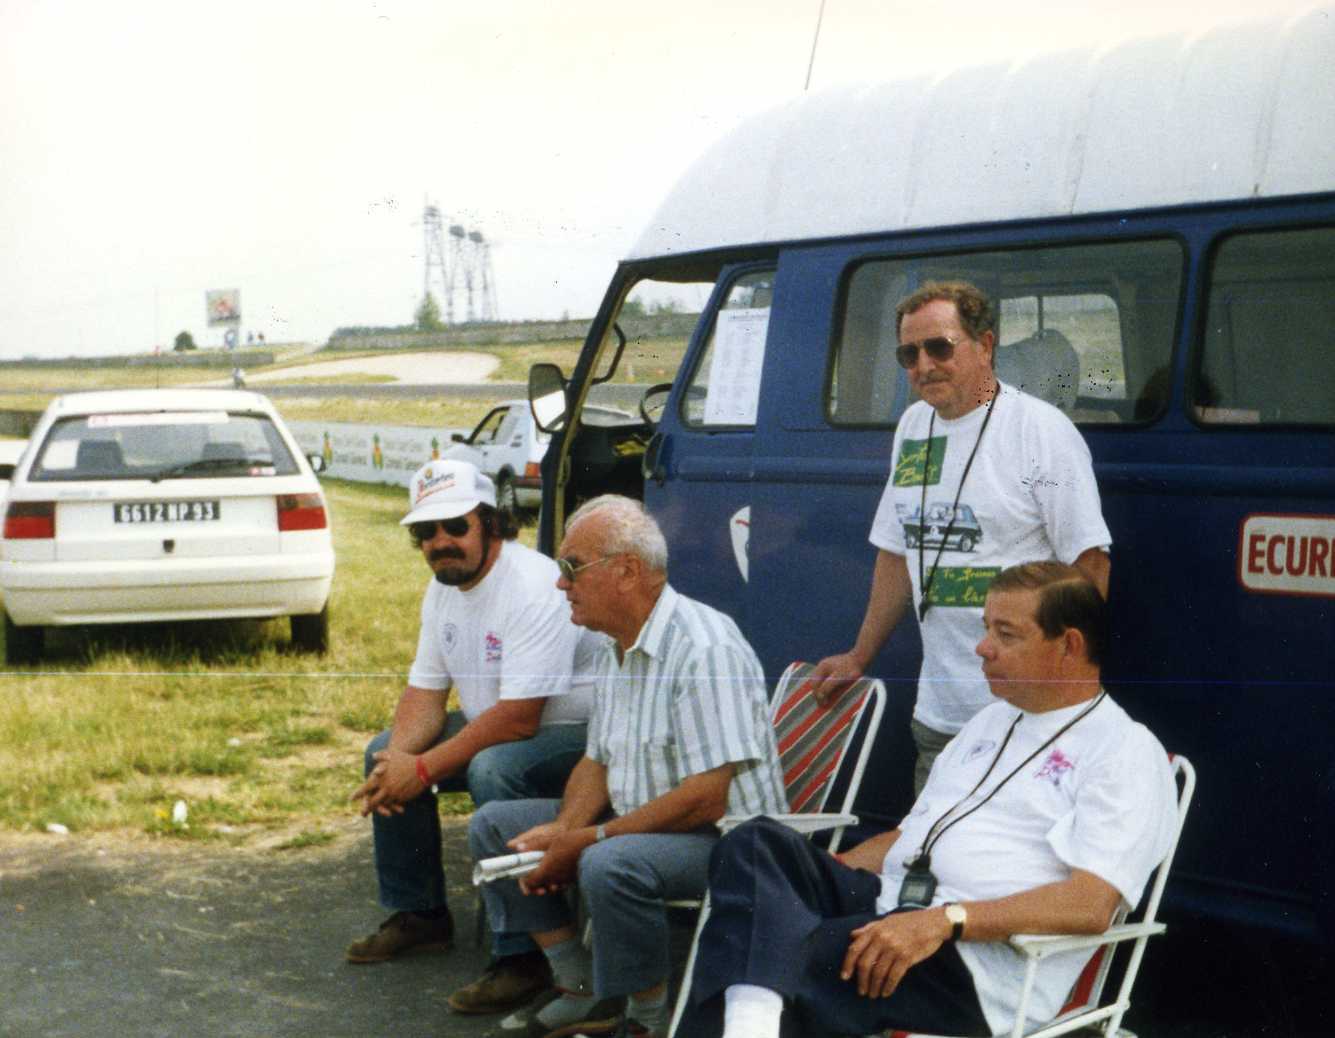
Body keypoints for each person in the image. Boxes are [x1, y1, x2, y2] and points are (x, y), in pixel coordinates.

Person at [683, 561, 1177, 1038]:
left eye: (1006, 634)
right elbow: (910, 837)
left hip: (976, 962)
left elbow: (1089, 904)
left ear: (1069, 644)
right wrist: (799, 887)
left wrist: (945, 921)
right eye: (986, 629)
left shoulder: (1124, 751)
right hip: (892, 905)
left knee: (770, 955)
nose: (982, 648)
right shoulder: (990, 722)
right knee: (757, 844)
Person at [457, 495, 787, 1038]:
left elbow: (708, 798)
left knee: (609, 861)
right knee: (495, 826)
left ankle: (644, 1020)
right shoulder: (617, 643)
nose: (560, 584)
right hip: (653, 823)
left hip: (733, 841)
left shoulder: (705, 649)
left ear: (627, 571)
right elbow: (597, 759)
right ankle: (579, 986)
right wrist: (565, 829)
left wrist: (588, 838)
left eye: (571, 568)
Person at [813, 280, 1113, 792]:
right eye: (909, 353)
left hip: (1024, 718)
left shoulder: (1040, 431)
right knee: (931, 862)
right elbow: (896, 553)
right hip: (940, 718)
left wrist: (1068, 684)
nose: (924, 365)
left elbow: (1090, 563)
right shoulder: (913, 427)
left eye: (940, 347)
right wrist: (859, 656)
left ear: (986, 345)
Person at [348, 459, 599, 1017]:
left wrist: (421, 770)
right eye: (425, 532)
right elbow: (424, 694)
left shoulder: (533, 584)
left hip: (577, 736)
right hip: (504, 725)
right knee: (382, 751)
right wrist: (400, 760)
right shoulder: (443, 590)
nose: (441, 542)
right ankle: (420, 914)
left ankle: (521, 957)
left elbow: (520, 719)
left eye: (455, 526)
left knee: (494, 769)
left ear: (490, 522)